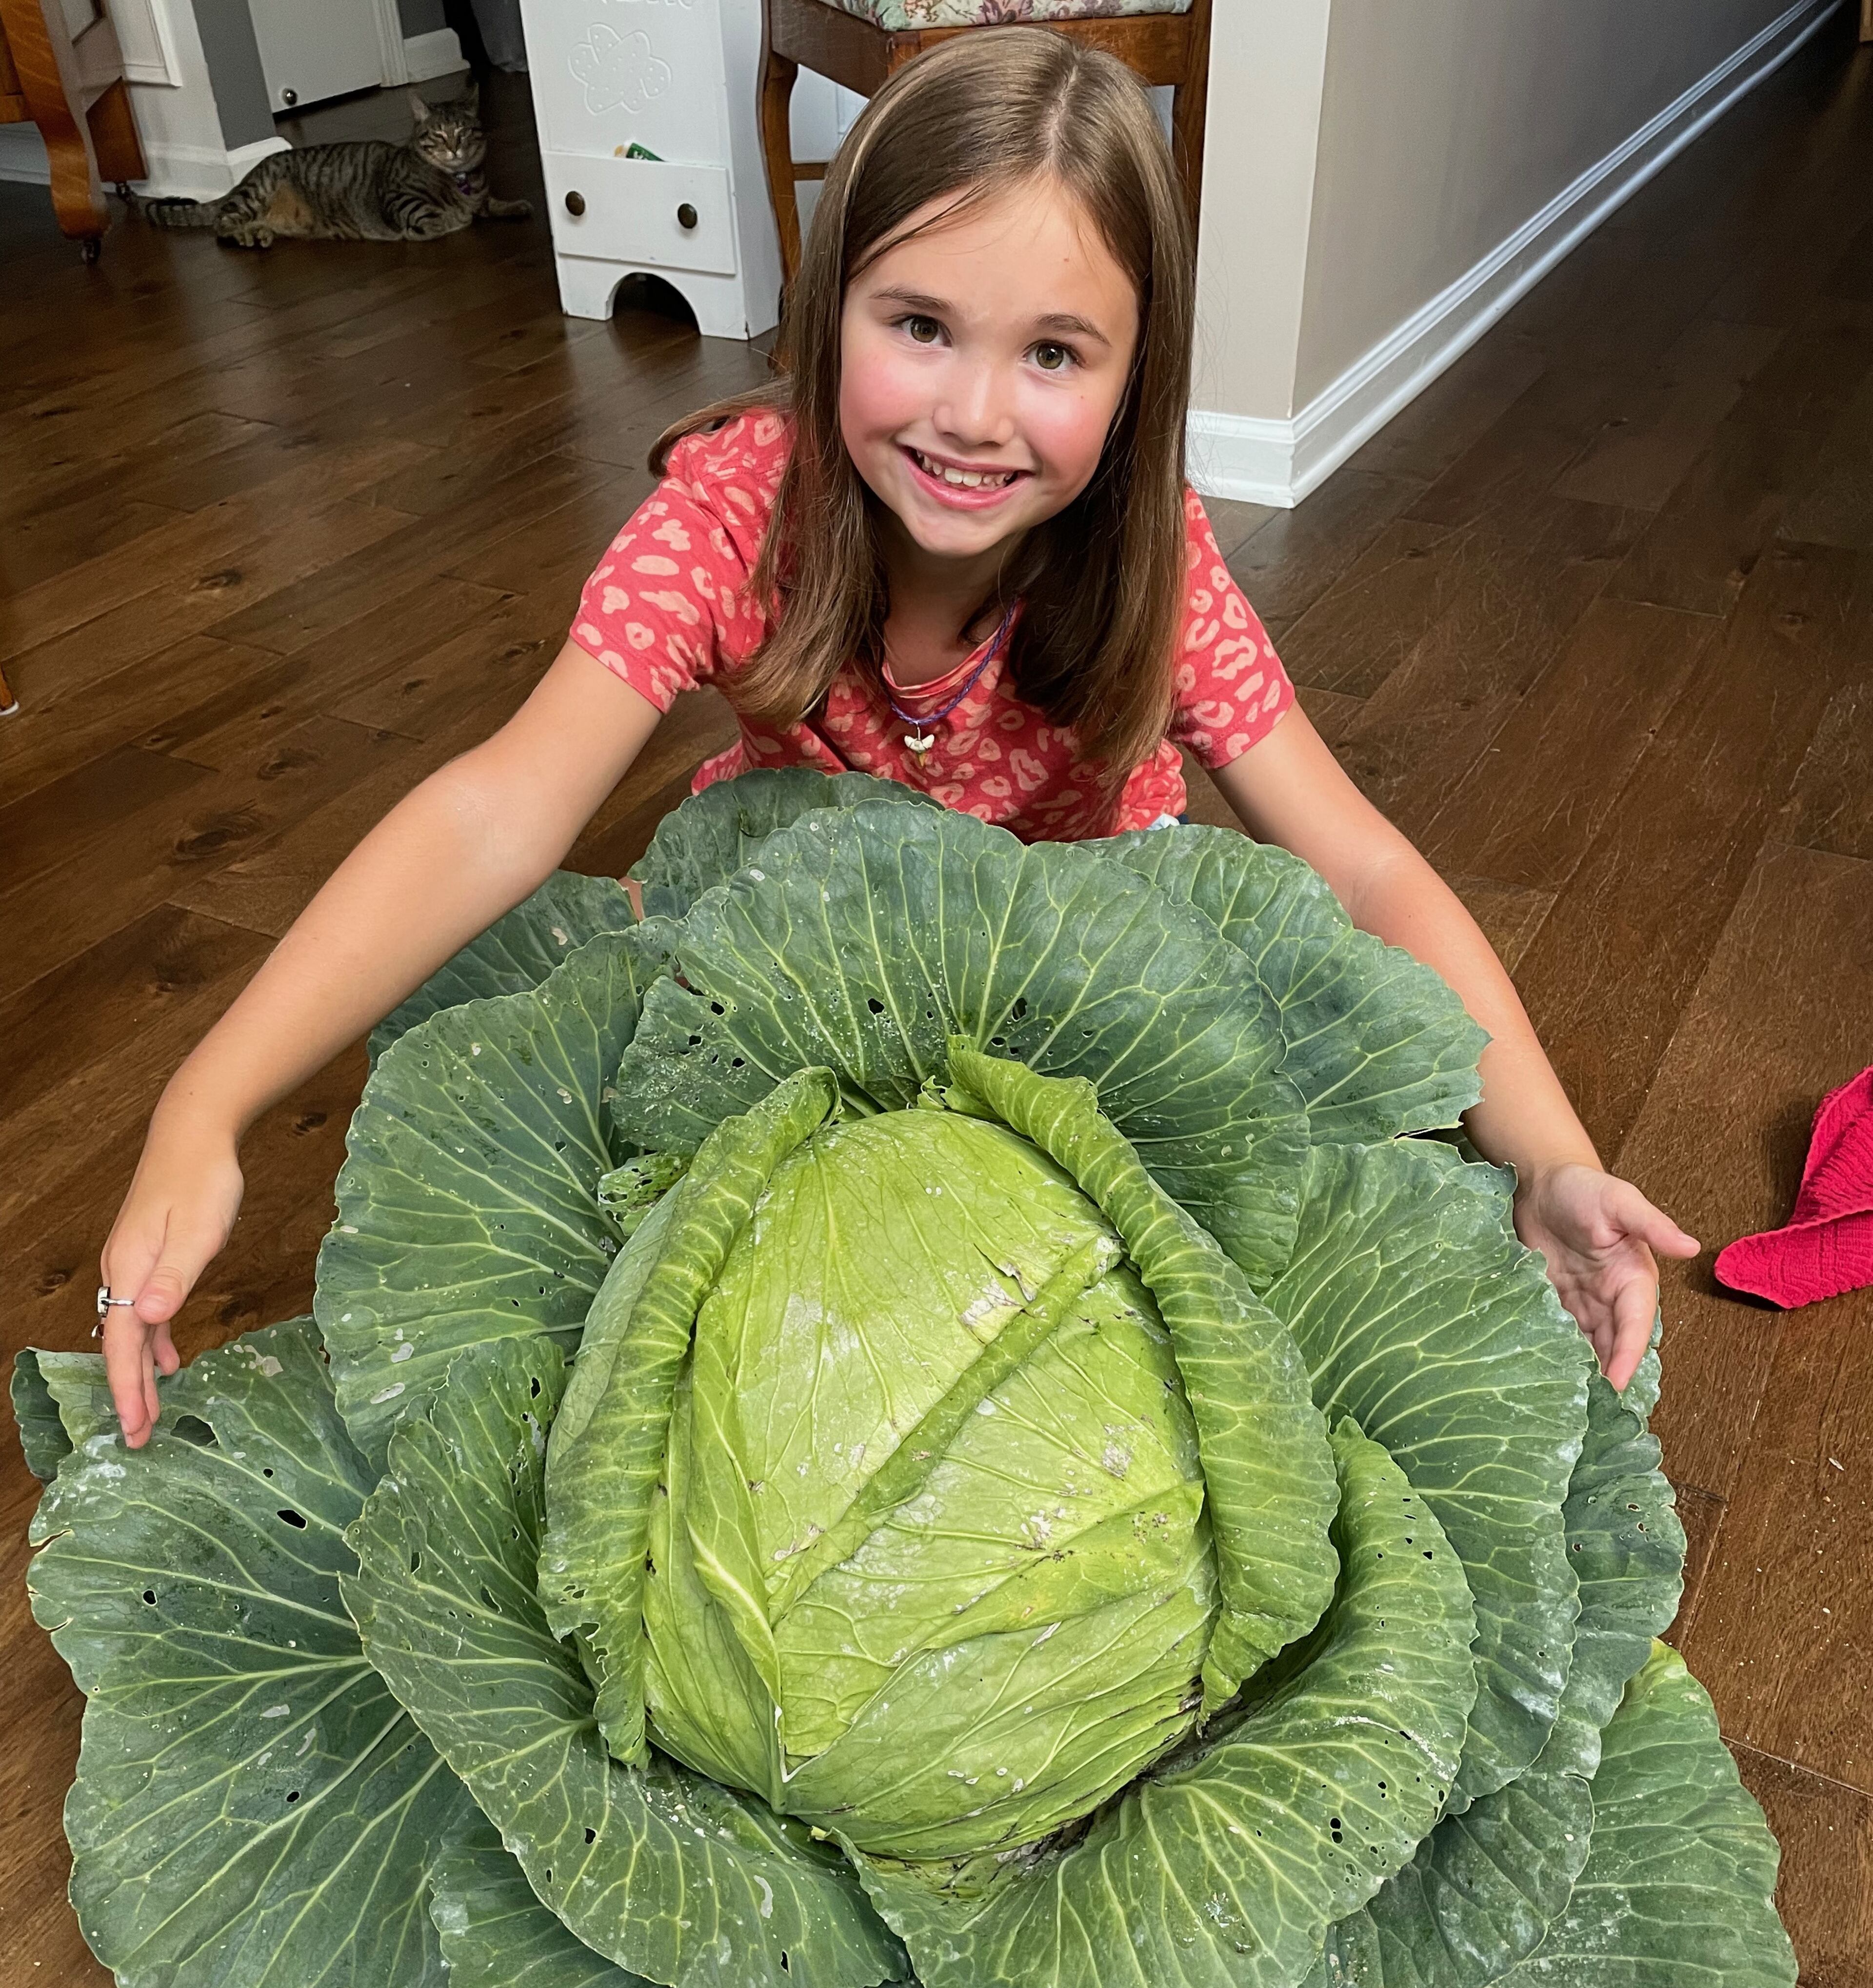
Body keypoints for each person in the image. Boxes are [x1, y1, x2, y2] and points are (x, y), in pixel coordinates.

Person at [97, 30, 1695, 1449]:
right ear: (826, 303)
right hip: (806, 958)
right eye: (918, 324)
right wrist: (207, 1100)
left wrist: (1551, 1157)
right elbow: (499, 811)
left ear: (1139, 381)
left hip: (1086, 980)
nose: (975, 414)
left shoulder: (1155, 558)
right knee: (617, 1264)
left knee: (1246, 1292)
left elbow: (1357, 862)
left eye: (1055, 353)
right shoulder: (732, 516)